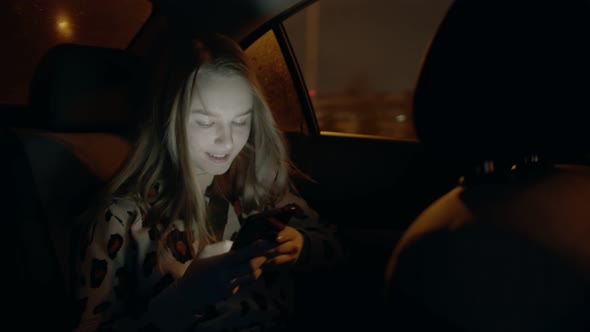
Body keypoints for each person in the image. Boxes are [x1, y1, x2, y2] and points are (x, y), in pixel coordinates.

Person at [73, 32, 342, 332]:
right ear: (168, 118)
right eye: (205, 122)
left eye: (240, 121)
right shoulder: (122, 219)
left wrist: (300, 246)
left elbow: (333, 245)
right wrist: (181, 301)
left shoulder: (256, 185)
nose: (226, 141)